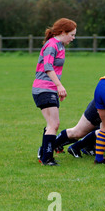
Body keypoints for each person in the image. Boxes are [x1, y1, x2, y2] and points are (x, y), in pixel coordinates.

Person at [32, 18, 77, 166]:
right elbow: (47, 67)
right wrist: (59, 86)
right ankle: (47, 158)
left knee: (52, 124)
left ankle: (44, 154)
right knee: (53, 124)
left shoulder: (60, 45)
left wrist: (57, 87)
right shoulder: (52, 45)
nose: (73, 38)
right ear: (63, 32)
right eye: (71, 34)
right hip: (44, 88)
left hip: (48, 88)